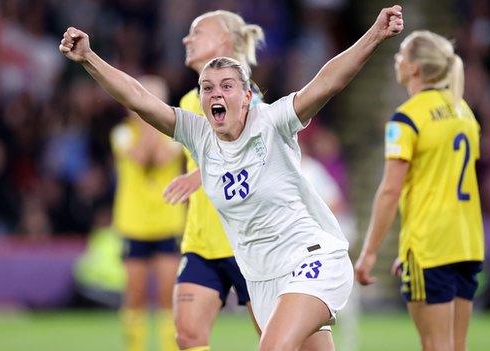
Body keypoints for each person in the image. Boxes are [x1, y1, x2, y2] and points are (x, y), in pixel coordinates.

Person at [59, 5, 403, 350]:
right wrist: (89, 58)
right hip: (260, 276)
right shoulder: (199, 134)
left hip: (309, 256)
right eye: (207, 89)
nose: (216, 94)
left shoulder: (273, 122)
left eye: (227, 86)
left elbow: (328, 81)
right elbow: (138, 98)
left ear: (247, 96)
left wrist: (374, 34)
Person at [354, 30, 485, 351]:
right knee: (456, 346)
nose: (396, 60)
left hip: (430, 244)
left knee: (435, 345)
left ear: (414, 68)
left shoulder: (407, 118)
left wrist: (369, 252)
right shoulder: (464, 112)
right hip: (467, 242)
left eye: (401, 54)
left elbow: (390, 191)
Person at [161, 10, 264, 351]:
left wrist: (199, 174)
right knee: (188, 335)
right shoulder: (191, 101)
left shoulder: (247, 96)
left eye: (196, 33)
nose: (186, 39)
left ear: (224, 41)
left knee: (276, 338)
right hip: (203, 240)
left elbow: (258, 155)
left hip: (249, 241)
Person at [110, 75, 185, 351]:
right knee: (135, 296)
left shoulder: (177, 133)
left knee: (168, 296)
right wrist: (147, 119)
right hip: (134, 224)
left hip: (167, 222)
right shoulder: (121, 134)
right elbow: (142, 157)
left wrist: (151, 118)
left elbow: (160, 157)